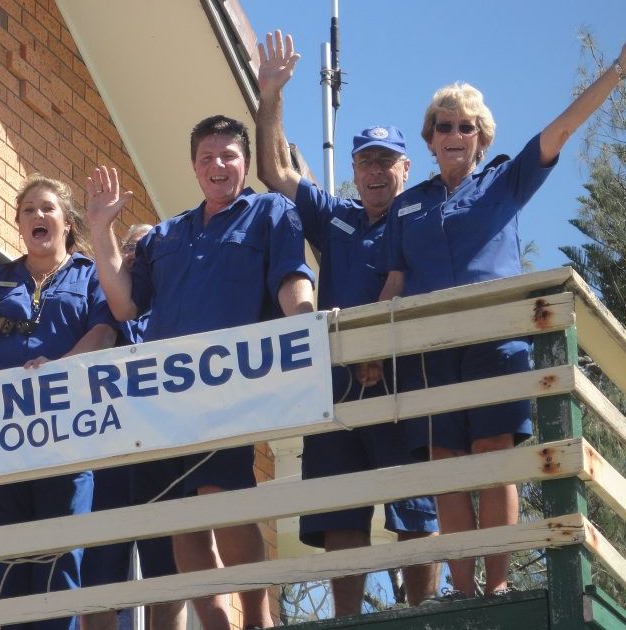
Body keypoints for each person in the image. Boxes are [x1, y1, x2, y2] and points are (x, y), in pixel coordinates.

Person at [378, 43, 626, 600]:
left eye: (466, 126)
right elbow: (393, 283)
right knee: (447, 467)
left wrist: (617, 70)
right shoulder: (407, 206)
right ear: (430, 136)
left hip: (496, 342)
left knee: (493, 458)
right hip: (430, 348)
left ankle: (497, 585)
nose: (454, 134)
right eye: (444, 125)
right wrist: (370, 347)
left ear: (481, 136)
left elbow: (561, 130)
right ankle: (462, 590)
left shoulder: (504, 182)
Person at [85, 115, 316, 630]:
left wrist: (306, 320)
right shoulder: (166, 235)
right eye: (207, 156)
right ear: (194, 166)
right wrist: (100, 228)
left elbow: (290, 278)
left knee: (222, 496)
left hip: (227, 384)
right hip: (166, 395)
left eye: (229, 155)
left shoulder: (268, 211)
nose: (218, 165)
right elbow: (124, 306)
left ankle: (257, 618)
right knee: (179, 516)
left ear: (245, 163)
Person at [255, 30, 439, 615]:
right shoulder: (335, 215)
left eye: (386, 161)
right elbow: (274, 171)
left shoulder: (422, 216)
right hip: (335, 388)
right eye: (365, 161)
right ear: (354, 170)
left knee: (414, 507)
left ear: (406, 167)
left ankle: (422, 617)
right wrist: (272, 94)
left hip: (404, 378)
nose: (375, 171)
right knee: (339, 509)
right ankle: (347, 620)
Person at [0, 173, 118, 630]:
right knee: (8, 556)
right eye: (28, 209)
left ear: (67, 222)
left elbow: (104, 332)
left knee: (59, 551)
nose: (37, 215)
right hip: (3, 436)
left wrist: (59, 366)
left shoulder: (89, 275)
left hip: (67, 432)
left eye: (47, 207)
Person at [79, 223, 186, 630]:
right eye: (130, 248)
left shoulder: (177, 305)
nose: (139, 257)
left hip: (164, 451)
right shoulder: (102, 303)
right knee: (100, 576)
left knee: (168, 572)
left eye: (149, 250)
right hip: (107, 456)